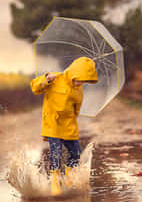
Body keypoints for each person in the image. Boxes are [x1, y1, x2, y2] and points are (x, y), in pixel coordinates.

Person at [30, 57, 98, 195]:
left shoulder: (79, 90)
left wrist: (72, 118)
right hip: (53, 123)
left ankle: (68, 174)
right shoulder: (56, 79)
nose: (81, 83)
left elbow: (76, 108)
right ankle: (54, 181)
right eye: (79, 79)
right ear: (74, 73)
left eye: (84, 81)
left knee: (76, 153)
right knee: (56, 153)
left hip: (68, 125)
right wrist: (46, 79)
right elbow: (35, 87)